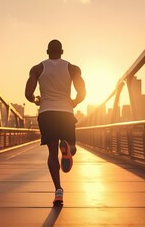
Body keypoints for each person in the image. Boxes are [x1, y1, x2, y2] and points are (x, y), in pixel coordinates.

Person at [25, 39, 86, 205]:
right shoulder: (72, 68)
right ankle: (68, 147)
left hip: (47, 113)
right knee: (72, 149)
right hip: (65, 113)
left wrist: (36, 100)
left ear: (47, 51)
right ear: (62, 51)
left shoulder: (37, 68)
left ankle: (58, 191)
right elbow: (82, 92)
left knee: (52, 154)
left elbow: (28, 93)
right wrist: (74, 102)